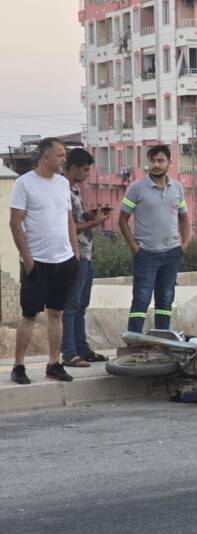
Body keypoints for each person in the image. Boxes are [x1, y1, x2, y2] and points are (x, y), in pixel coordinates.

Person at [8, 138, 80, 384]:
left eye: (64, 155)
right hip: (37, 261)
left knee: (56, 313)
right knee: (29, 315)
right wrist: (27, 259)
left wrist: (75, 252)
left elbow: (68, 219)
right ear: (45, 156)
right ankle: (19, 366)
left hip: (64, 259)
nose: (64, 160)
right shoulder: (24, 183)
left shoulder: (62, 183)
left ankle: (53, 363)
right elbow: (15, 223)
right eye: (60, 155)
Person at [119, 144, 189, 333]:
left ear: (169, 163)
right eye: (153, 161)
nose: (156, 164)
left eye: (161, 160)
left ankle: (162, 339)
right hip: (146, 253)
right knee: (141, 298)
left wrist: (184, 244)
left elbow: (184, 217)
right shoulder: (136, 188)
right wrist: (134, 247)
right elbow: (123, 219)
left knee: (166, 298)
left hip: (172, 252)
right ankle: (134, 340)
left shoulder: (177, 187)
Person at [61, 148, 109, 369]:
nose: (88, 174)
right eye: (85, 170)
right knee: (71, 305)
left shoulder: (75, 190)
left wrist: (90, 216)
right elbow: (68, 226)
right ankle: (69, 352)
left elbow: (78, 219)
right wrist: (94, 223)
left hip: (87, 253)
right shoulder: (63, 191)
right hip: (75, 254)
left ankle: (82, 349)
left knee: (81, 305)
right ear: (73, 168)